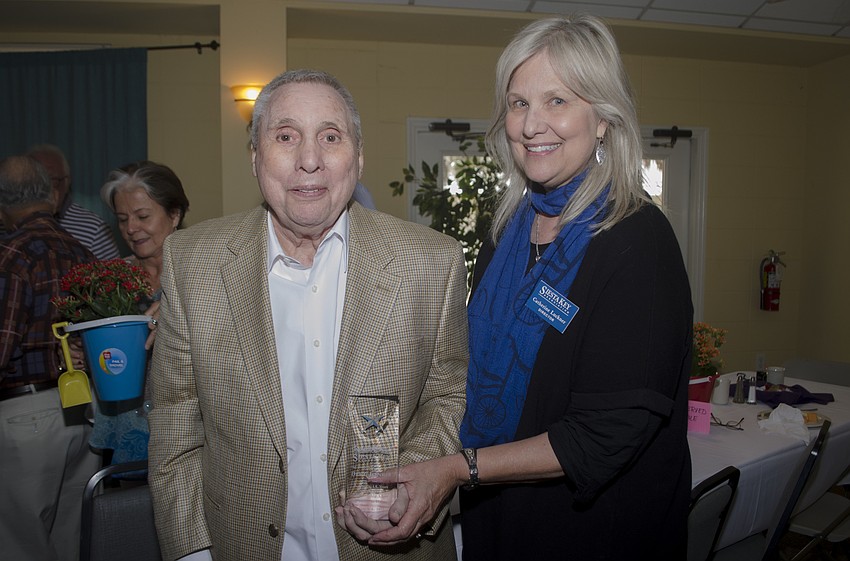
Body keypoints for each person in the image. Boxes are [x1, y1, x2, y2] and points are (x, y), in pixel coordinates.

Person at [345, 15, 694, 560]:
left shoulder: (636, 242)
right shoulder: (508, 230)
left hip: (597, 535)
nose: (532, 125)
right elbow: (465, 363)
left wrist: (458, 470)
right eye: (518, 102)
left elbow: (603, 436)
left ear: (603, 118)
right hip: (501, 522)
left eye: (558, 101)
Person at [147, 69, 468, 561]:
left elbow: (448, 393)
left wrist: (419, 475)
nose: (310, 160)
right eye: (286, 136)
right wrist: (193, 552)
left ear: (357, 159)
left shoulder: (430, 262)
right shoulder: (193, 263)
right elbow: (175, 425)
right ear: (255, 157)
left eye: (330, 137)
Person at [0, 155, 100, 561]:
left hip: (25, 414)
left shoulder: (11, 254)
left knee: (19, 544)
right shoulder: (83, 252)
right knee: (71, 538)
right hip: (83, 409)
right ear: (52, 196)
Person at [84, 160, 189, 465]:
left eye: (143, 216)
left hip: (185, 435)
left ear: (174, 214)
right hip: (124, 433)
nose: (131, 229)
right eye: (122, 219)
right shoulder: (111, 281)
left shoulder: (198, 276)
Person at [27, 143, 121, 260]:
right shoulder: (10, 225)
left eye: (52, 180)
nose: (43, 189)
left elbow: (113, 276)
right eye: (35, 181)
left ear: (67, 181)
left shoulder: (94, 229)